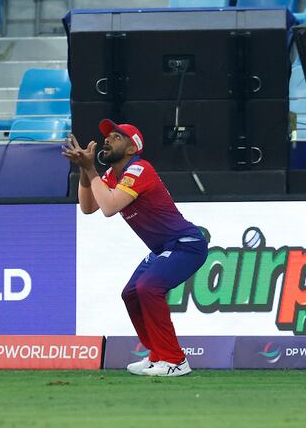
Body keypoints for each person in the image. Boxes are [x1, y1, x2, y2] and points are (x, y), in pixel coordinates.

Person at [63, 120, 208, 377]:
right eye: (107, 136)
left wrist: (91, 170)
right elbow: (88, 207)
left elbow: (109, 208)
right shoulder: (111, 175)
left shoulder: (139, 169)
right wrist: (86, 172)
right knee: (131, 293)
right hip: (164, 248)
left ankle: (175, 360)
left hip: (187, 245)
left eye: (117, 137)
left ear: (131, 149)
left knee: (148, 287)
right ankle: (158, 355)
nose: (107, 139)